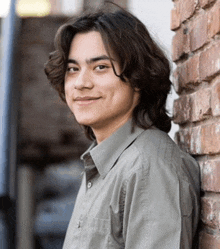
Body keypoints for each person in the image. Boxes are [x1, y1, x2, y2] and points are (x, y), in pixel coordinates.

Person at [44, 3, 200, 249]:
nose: (80, 83)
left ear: (138, 77)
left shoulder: (149, 166)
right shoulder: (105, 161)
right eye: (73, 69)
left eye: (100, 67)